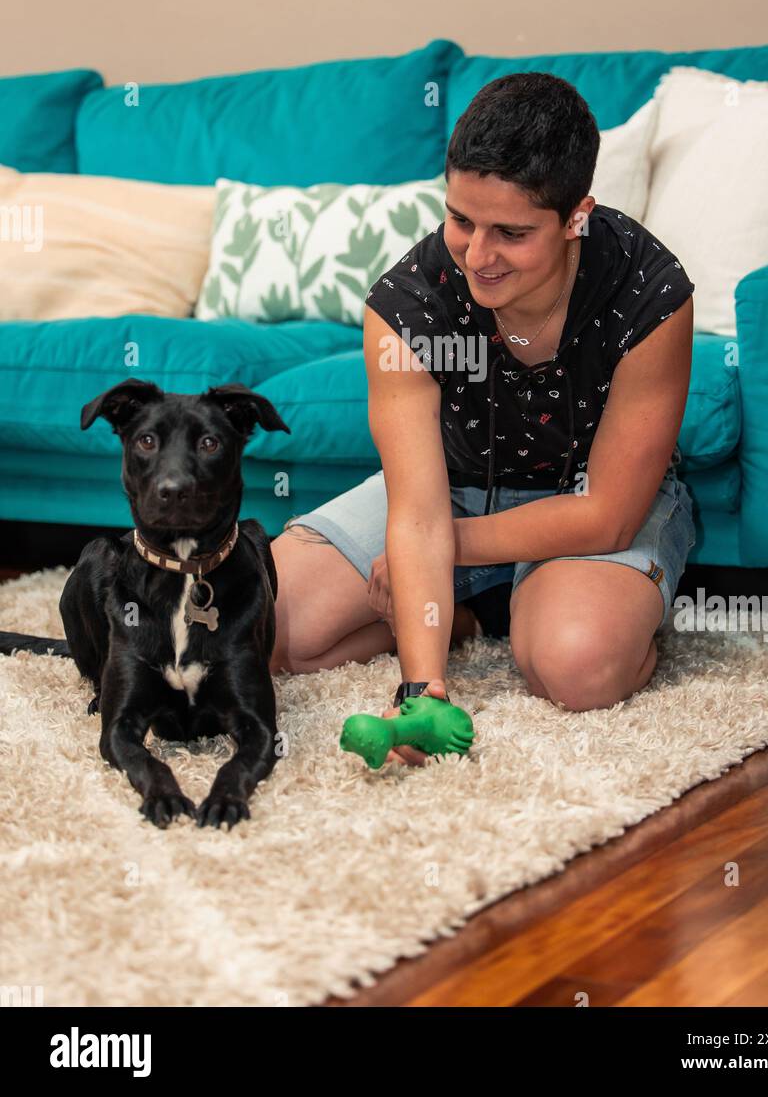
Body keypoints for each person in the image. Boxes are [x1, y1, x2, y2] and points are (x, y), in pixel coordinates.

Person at [269, 72, 696, 766]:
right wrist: (423, 687)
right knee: (273, 629)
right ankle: (470, 621)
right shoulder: (407, 304)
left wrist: (445, 548)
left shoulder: (651, 295)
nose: (477, 254)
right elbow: (415, 511)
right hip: (450, 487)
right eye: (462, 220)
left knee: (576, 666)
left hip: (587, 500)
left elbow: (609, 517)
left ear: (576, 216)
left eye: (512, 233)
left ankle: (557, 605)